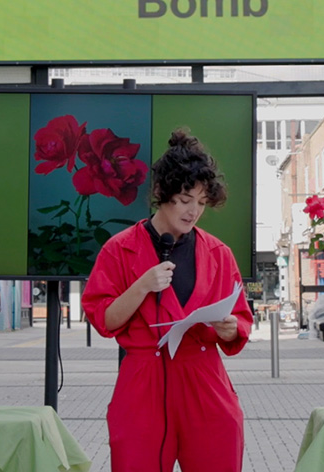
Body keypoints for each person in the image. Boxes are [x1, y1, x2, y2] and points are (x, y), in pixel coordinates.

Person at [83, 130, 253, 472]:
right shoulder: (119, 249)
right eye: (186, 200)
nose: (194, 212)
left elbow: (239, 324)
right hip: (143, 379)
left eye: (202, 203)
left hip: (204, 379)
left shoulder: (218, 253)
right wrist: (142, 286)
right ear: (163, 193)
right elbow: (104, 320)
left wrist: (230, 328)